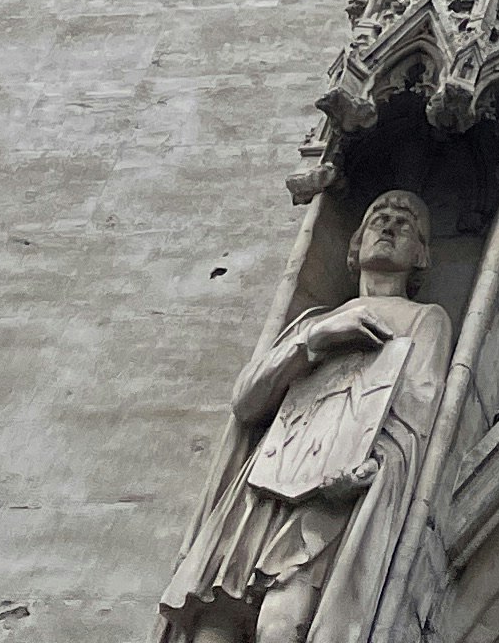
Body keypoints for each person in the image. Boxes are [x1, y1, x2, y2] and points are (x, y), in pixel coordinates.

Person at [157, 190, 453, 643]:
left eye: (405, 224)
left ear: (422, 255)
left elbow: (416, 416)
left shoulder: (424, 320)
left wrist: (366, 469)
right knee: (215, 623)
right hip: (266, 482)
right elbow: (247, 402)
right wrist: (316, 339)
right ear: (354, 245)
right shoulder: (313, 321)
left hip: (333, 494)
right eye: (377, 217)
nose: (389, 226)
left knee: (283, 620)